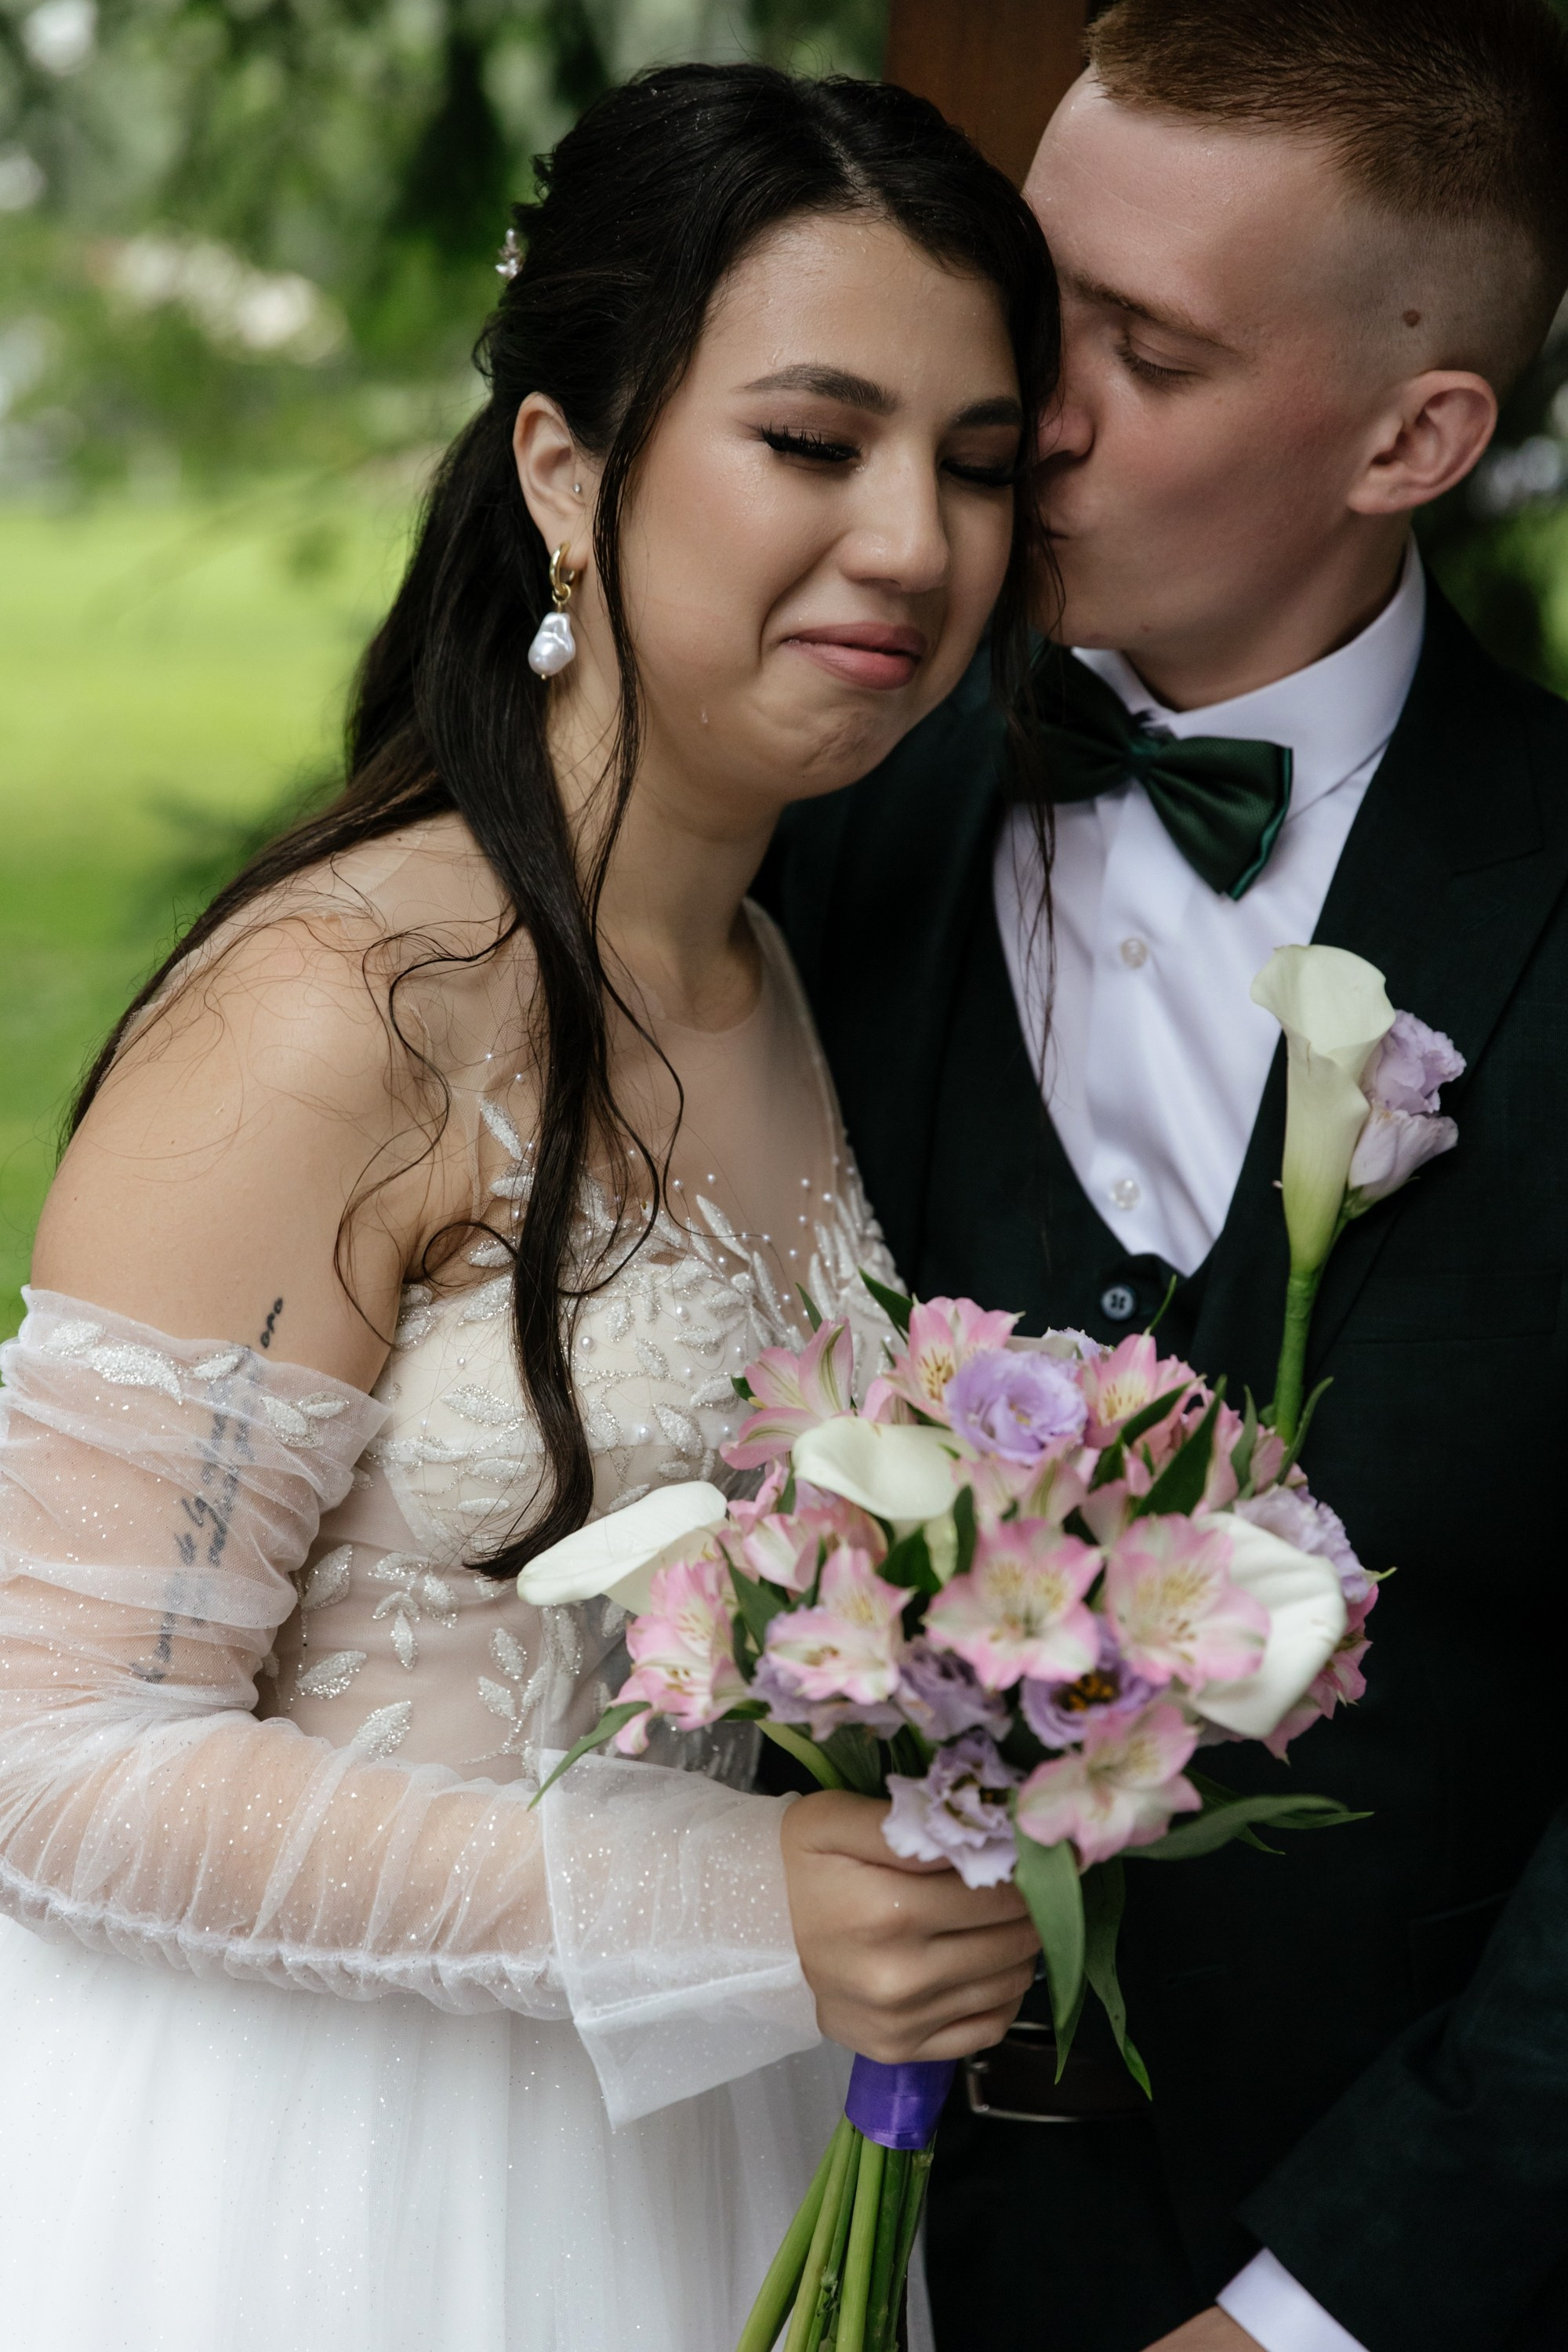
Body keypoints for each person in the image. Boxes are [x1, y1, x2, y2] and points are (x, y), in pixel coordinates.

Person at [0, 64, 1057, 2352]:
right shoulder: (342, 1009)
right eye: (815, 440)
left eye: (979, 467)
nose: (912, 542)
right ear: (565, 466)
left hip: (709, 2147)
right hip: (321, 2182)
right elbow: (51, 1754)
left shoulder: (789, 967)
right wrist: (734, 1893)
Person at [757, 3, 1568, 2349]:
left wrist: (1321, 2311)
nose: (1032, 409)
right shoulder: (795, 814)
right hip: (764, 2218)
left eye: (1151, 350)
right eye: (1037, 297)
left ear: (1414, 436)